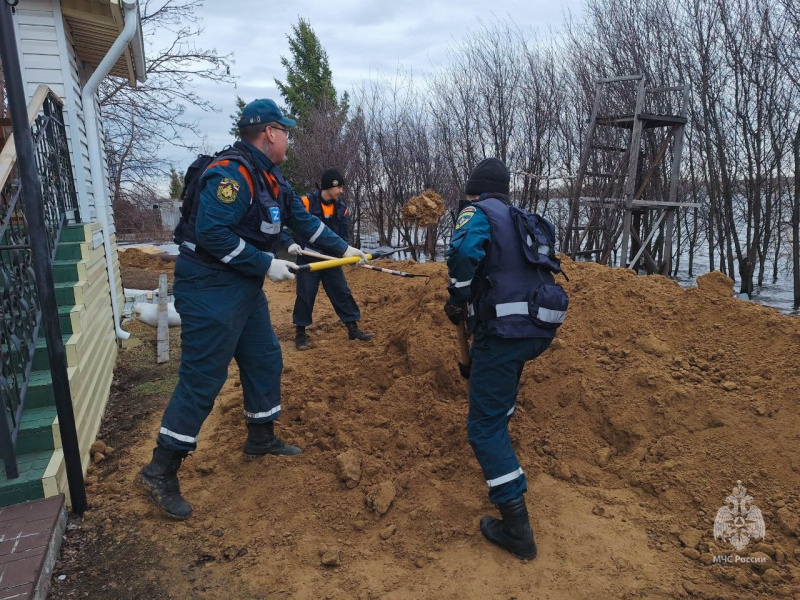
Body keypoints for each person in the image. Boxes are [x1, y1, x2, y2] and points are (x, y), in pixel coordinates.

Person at [136, 99, 367, 520]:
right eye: (286, 132)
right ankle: (160, 470)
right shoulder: (232, 174)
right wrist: (265, 262)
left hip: (242, 288)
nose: (289, 139)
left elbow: (305, 222)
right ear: (269, 133)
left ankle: (260, 437)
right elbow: (213, 234)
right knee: (203, 379)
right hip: (209, 287)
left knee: (264, 359)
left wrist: (346, 249)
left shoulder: (271, 177)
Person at [443, 157, 568, 559]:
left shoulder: (476, 213)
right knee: (499, 394)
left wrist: (457, 296)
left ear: (474, 191)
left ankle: (517, 529)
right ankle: (503, 426)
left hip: (503, 332)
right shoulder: (519, 216)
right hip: (536, 329)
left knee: (482, 428)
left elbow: (463, 257)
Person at [284, 168, 373, 350]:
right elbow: (283, 224)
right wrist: (289, 243)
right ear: (328, 186)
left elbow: (343, 237)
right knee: (306, 295)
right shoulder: (305, 202)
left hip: (331, 258)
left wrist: (347, 255)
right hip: (309, 256)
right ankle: (300, 333)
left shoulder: (342, 209)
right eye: (339, 187)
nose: (342, 191)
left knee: (341, 291)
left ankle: (352, 329)